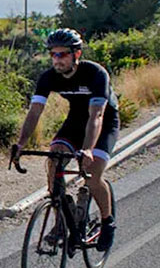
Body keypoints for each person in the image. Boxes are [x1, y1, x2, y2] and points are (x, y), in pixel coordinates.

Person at [10, 28, 119, 252]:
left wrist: (88, 149)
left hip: (104, 121)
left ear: (76, 54)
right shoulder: (48, 77)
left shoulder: (96, 74)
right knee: (54, 157)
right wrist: (20, 144)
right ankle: (62, 216)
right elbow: (35, 111)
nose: (56, 60)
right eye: (53, 54)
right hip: (77, 119)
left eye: (62, 55)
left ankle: (108, 222)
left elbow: (97, 115)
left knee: (93, 174)